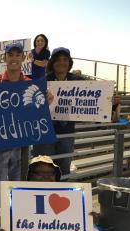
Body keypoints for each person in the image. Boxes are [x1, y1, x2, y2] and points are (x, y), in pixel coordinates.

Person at [32, 47, 84, 176]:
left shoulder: (78, 81)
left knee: (64, 169)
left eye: (65, 59)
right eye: (58, 59)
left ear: (69, 62)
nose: (61, 63)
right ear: (52, 62)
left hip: (67, 132)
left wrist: (111, 101)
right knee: (44, 168)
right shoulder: (43, 80)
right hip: (45, 131)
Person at [0, 43, 31, 184]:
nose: (14, 58)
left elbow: (37, 112)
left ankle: (16, 206)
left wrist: (46, 99)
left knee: (18, 183)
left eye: (18, 55)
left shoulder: (31, 84)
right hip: (0, 140)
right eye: (10, 55)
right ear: (4, 58)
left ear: (23, 58)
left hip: (22, 142)